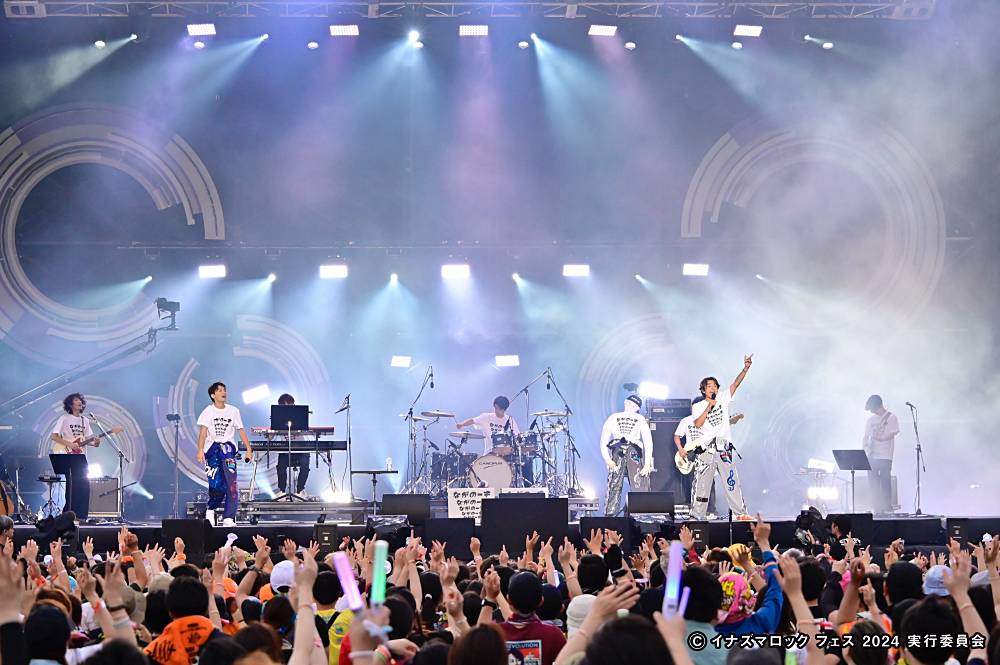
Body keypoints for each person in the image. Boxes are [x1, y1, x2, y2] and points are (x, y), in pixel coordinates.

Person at [689, 355, 754, 520]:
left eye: (715, 386)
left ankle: (740, 513)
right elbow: (698, 424)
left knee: (731, 480)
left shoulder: (723, 398)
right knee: (703, 483)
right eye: (709, 386)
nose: (713, 388)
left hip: (724, 447)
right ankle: (697, 515)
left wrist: (745, 368)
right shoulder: (698, 405)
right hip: (706, 449)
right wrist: (708, 408)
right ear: (703, 390)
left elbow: (736, 384)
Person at [196, 382, 253, 527]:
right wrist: (200, 450)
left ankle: (229, 517)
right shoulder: (208, 411)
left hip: (228, 451)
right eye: (220, 390)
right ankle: (211, 509)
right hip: (212, 450)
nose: (223, 392)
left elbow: (241, 430)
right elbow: (203, 432)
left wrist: (249, 449)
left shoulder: (233, 411)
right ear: (213, 395)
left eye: (224, 390)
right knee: (217, 485)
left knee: (232, 485)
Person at [600, 395, 654, 516]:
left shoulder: (640, 418)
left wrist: (647, 464)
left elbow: (648, 441)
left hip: (633, 450)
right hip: (617, 449)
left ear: (638, 409)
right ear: (625, 402)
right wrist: (607, 459)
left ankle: (641, 514)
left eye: (634, 406)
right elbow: (604, 439)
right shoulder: (614, 417)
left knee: (638, 482)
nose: (631, 407)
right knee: (614, 483)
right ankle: (610, 515)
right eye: (629, 404)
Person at [50, 392, 99, 519]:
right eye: (76, 400)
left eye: (80, 400)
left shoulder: (85, 420)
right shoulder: (64, 418)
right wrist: (70, 444)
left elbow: (88, 440)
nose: (79, 402)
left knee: (84, 485)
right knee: (71, 486)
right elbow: (54, 436)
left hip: (80, 456)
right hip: (67, 454)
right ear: (71, 404)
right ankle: (68, 515)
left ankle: (81, 515)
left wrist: (96, 443)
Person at [862, 395, 899, 514]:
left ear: (879, 405)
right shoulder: (870, 420)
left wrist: (881, 438)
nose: (872, 412)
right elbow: (865, 436)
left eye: (873, 409)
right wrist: (865, 449)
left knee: (885, 481)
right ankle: (876, 508)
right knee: (873, 482)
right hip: (872, 455)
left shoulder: (891, 417)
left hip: (885, 456)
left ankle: (887, 507)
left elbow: (893, 433)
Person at [455, 396, 520, 455]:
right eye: (495, 408)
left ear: (504, 409)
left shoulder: (510, 420)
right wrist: (462, 424)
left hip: (506, 455)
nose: (496, 411)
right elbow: (473, 420)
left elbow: (517, 435)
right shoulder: (486, 417)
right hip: (489, 453)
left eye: (498, 409)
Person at [274, 394, 310, 497]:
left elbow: (306, 430)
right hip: (285, 450)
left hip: (300, 449)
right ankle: (281, 491)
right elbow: (270, 437)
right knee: (281, 466)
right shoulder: (278, 417)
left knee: (305, 462)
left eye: (292, 405)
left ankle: (300, 491)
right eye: (288, 405)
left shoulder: (299, 415)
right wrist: (272, 429)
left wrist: (299, 430)